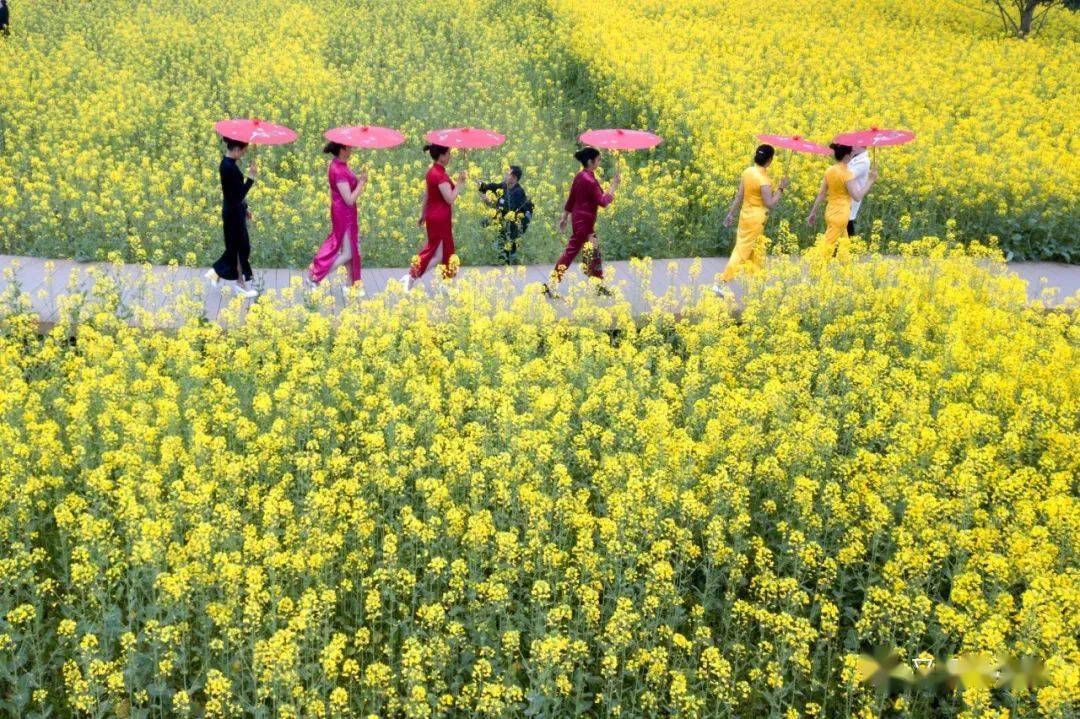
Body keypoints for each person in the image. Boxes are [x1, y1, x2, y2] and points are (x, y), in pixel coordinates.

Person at [543, 147, 621, 298]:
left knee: (595, 253)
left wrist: (564, 217)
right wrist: (614, 186)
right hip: (584, 223)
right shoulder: (590, 180)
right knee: (571, 253)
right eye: (598, 159)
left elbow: (572, 198)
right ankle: (550, 285)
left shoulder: (581, 176)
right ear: (590, 161)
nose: (599, 162)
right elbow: (603, 202)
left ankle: (597, 284)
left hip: (581, 221)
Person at [712, 144, 789, 298]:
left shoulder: (747, 172)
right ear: (770, 160)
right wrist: (781, 188)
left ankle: (757, 284)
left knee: (758, 251)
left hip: (745, 216)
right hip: (757, 220)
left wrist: (730, 214)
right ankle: (721, 282)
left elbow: (739, 196)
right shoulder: (764, 180)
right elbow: (770, 203)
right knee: (742, 251)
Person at [401, 144, 466, 291]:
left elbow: (428, 195)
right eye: (449, 153)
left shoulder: (432, 172)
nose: (450, 156)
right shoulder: (440, 175)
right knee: (437, 254)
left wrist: (423, 214)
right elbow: (449, 198)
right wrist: (460, 185)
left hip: (434, 216)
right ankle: (412, 276)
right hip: (440, 218)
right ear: (442, 156)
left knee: (444, 251)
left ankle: (446, 283)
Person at [306, 141, 367, 295]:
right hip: (344, 215)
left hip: (344, 213)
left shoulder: (340, 164)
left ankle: (350, 284)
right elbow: (349, 199)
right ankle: (315, 276)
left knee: (349, 249)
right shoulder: (338, 170)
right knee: (347, 253)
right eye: (350, 147)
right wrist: (361, 183)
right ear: (342, 149)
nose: (352, 149)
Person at [205, 138, 259, 298]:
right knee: (239, 249)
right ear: (236, 149)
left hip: (235, 211)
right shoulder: (229, 168)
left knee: (238, 248)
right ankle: (239, 284)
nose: (243, 154)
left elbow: (233, 195)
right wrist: (251, 177)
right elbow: (237, 194)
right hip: (233, 214)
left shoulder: (228, 165)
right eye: (243, 151)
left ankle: (217, 273)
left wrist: (245, 209)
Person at [807, 143, 877, 258]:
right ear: (847, 156)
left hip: (830, 212)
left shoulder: (829, 170)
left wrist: (813, 213)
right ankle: (818, 270)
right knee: (827, 248)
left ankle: (847, 271)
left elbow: (821, 194)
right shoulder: (847, 174)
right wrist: (870, 180)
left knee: (845, 247)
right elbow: (857, 196)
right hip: (841, 214)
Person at [479, 165, 532, 265]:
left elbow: (508, 212)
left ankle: (506, 259)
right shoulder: (504, 185)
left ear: (514, 178)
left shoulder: (518, 192)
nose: (505, 175)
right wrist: (480, 185)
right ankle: (501, 257)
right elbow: (489, 187)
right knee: (485, 224)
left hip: (514, 225)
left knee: (506, 245)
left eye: (508, 173)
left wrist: (489, 203)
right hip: (503, 220)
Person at [846, 145, 871, 236]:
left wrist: (871, 179)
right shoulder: (853, 157)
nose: (852, 147)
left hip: (851, 198)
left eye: (855, 145)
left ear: (863, 147)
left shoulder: (863, 162)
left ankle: (849, 249)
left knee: (848, 224)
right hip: (844, 199)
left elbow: (847, 176)